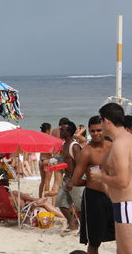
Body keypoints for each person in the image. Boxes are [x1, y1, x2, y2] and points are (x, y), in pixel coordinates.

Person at [68, 116, 115, 254]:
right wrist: (90, 181)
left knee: (122, 234)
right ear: (89, 131)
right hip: (94, 198)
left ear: (104, 130)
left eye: (99, 130)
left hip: (113, 196)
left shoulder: (113, 147)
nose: (95, 134)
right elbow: (74, 181)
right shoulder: (87, 152)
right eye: (92, 131)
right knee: (94, 241)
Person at [90, 103, 132, 253]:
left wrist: (101, 177)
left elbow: (123, 181)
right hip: (123, 204)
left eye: (101, 121)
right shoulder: (126, 139)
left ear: (106, 121)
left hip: (126, 204)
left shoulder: (120, 144)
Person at [53, 120, 83, 231]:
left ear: (69, 132)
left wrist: (74, 180)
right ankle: (72, 224)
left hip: (75, 179)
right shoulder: (64, 144)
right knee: (61, 202)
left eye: (62, 129)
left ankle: (83, 228)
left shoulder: (74, 146)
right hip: (66, 178)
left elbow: (80, 165)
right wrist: (55, 161)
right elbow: (67, 160)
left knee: (79, 207)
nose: (59, 131)